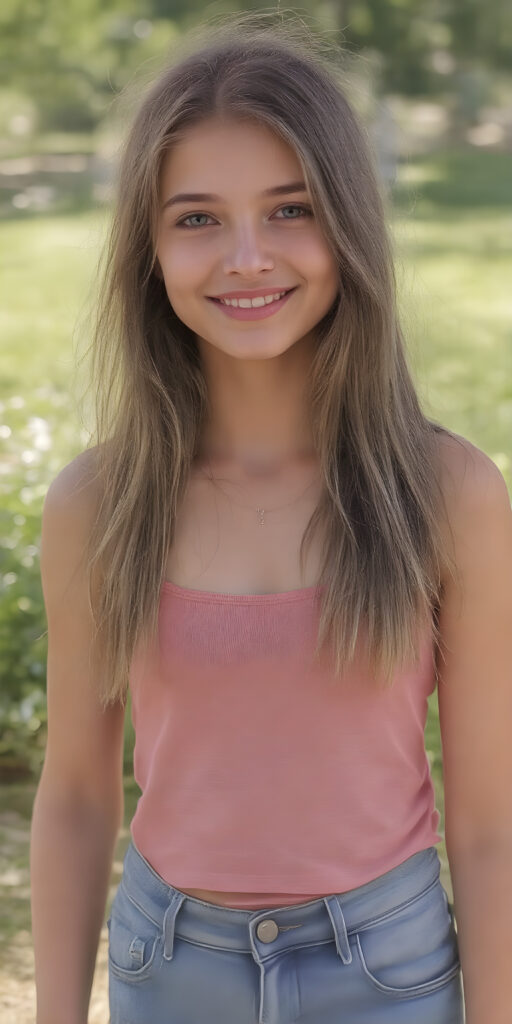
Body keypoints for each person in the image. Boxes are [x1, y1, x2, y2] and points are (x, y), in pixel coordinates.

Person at [30, 12, 512, 1024]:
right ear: (149, 250)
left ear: (348, 224)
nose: (247, 257)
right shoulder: (98, 505)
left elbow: (487, 826)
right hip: (171, 971)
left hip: (387, 974)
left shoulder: (445, 493)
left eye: (290, 209)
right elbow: (74, 797)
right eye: (197, 219)